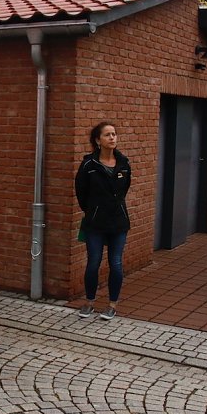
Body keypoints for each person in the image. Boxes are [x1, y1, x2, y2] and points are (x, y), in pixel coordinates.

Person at [74, 121, 132, 321]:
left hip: (118, 222)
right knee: (93, 263)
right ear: (98, 140)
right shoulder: (89, 165)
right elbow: (81, 193)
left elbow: (124, 190)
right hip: (95, 223)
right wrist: (94, 210)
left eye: (114, 134)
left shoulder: (124, 163)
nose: (112, 138)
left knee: (115, 264)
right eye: (107, 135)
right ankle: (89, 302)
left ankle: (112, 305)